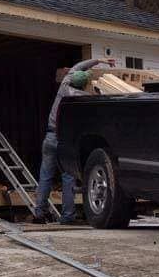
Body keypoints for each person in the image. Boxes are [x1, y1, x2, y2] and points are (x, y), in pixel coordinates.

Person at [34, 57, 116, 224]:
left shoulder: (64, 84)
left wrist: (100, 60)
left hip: (50, 137)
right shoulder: (81, 97)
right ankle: (67, 216)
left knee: (45, 176)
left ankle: (39, 213)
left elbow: (79, 66)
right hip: (65, 140)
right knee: (68, 177)